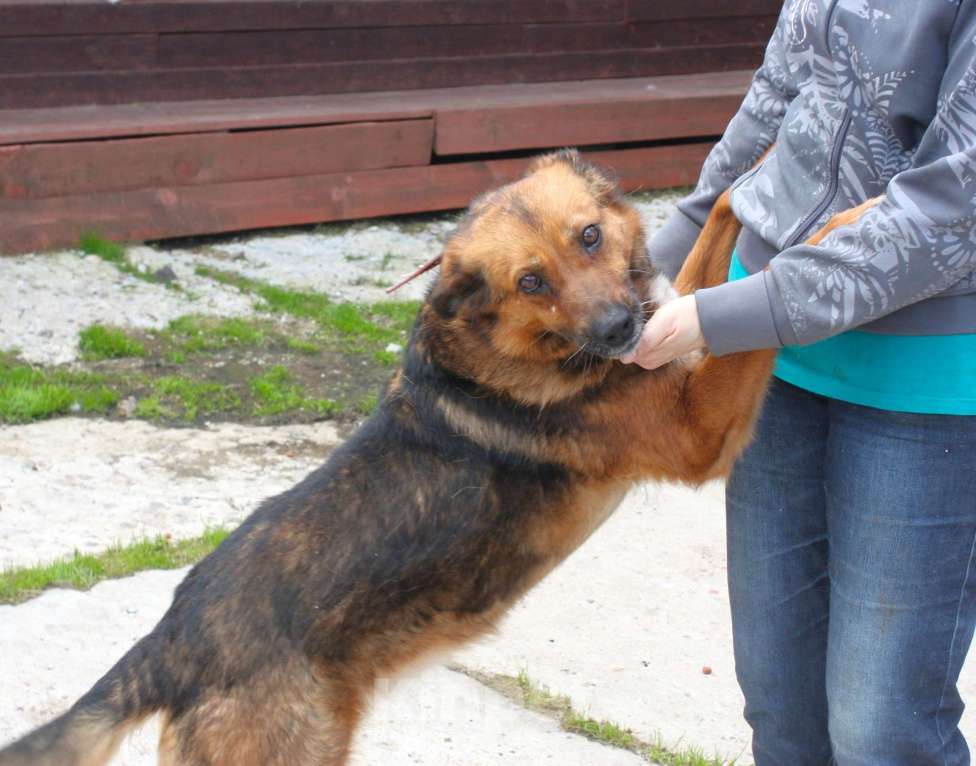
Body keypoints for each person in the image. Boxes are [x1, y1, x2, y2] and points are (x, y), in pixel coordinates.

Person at [622, 1, 976, 763]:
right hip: (771, 362)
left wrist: (722, 317)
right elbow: (782, 93)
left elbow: (955, 208)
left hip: (927, 385)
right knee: (780, 709)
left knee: (882, 732)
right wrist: (663, 258)